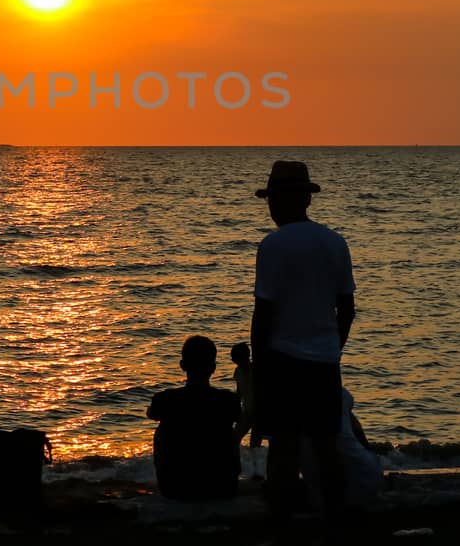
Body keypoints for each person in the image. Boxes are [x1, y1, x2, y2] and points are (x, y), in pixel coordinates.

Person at [249, 160, 356, 517]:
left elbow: (263, 314)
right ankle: (335, 526)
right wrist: (332, 348)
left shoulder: (274, 246)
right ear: (307, 200)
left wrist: (259, 365)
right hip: (325, 361)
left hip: (283, 359)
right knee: (327, 447)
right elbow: (347, 307)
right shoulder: (335, 243)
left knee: (283, 448)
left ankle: (284, 531)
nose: (271, 207)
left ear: (277, 201)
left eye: (272, 199)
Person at [147, 336, 243, 501]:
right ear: (213, 368)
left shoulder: (165, 399)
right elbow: (239, 417)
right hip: (222, 487)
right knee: (231, 432)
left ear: (182, 365)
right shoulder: (228, 400)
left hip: (175, 488)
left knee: (161, 431)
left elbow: (152, 414)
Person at [230, 341, 261, 452]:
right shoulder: (237, 371)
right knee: (233, 439)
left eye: (234, 357)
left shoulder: (257, 371)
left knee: (255, 445)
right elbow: (239, 392)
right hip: (247, 412)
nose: (232, 360)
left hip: (259, 413)